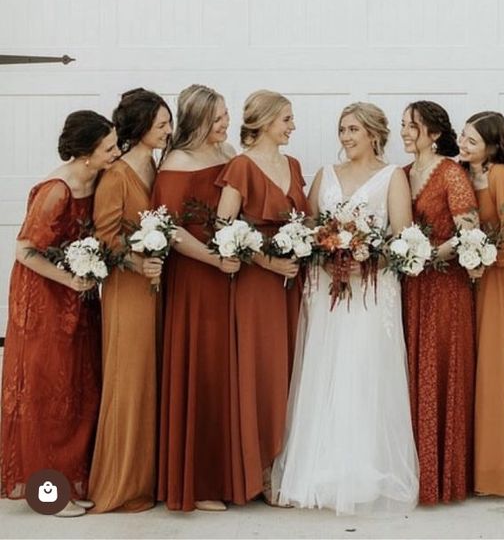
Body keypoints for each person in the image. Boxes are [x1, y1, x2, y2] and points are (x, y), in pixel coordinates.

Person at [272, 102, 419, 514]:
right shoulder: (325, 175)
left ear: (374, 133)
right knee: (325, 367)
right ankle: (317, 471)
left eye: (353, 129)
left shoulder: (393, 177)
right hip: (327, 291)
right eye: (341, 130)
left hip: (372, 292)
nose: (346, 137)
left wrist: (366, 257)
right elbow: (309, 230)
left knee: (364, 369)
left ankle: (366, 470)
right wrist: (329, 249)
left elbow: (403, 239)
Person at [1, 110, 119, 517]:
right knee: (48, 392)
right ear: (86, 153)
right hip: (45, 300)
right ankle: (47, 496)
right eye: (108, 147)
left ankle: (69, 483)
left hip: (79, 297)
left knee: (78, 389)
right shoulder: (57, 190)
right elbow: (25, 251)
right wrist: (70, 281)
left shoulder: (97, 180)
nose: (115, 153)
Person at [215, 90, 308, 505]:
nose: (292, 125)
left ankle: (286, 465)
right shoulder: (241, 165)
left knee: (291, 368)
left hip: (293, 281)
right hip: (258, 284)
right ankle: (260, 473)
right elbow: (224, 227)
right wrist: (268, 263)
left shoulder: (293, 164)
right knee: (262, 370)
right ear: (266, 121)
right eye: (286, 118)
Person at [152, 84, 240, 512]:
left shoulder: (228, 154)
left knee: (228, 373)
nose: (226, 123)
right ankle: (199, 481)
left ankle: (233, 474)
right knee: (201, 370)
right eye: (219, 117)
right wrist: (213, 258)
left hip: (230, 277)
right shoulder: (177, 163)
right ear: (199, 119)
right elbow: (168, 228)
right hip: (195, 278)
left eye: (226, 115)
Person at [88, 89, 172, 513]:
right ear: (139, 128)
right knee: (130, 380)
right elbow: (104, 237)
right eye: (161, 125)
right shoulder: (117, 175)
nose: (168, 131)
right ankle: (121, 483)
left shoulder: (157, 166)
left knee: (154, 378)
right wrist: (139, 264)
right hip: (128, 292)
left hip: (159, 289)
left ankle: (151, 477)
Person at [401, 100, 478, 504]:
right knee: (411, 371)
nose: (405, 131)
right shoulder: (400, 174)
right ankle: (410, 470)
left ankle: (443, 475)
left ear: (433, 133)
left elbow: (469, 231)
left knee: (441, 371)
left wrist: (429, 255)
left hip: (445, 287)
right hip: (409, 287)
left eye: (412, 125)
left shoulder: (451, 173)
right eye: (402, 125)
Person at [458, 111, 504, 497]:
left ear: (493, 147)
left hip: (497, 279)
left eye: (472, 142)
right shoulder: (463, 174)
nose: (463, 146)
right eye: (462, 138)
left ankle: (496, 471)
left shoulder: (500, 176)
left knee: (494, 368)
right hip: (470, 278)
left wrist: (486, 262)